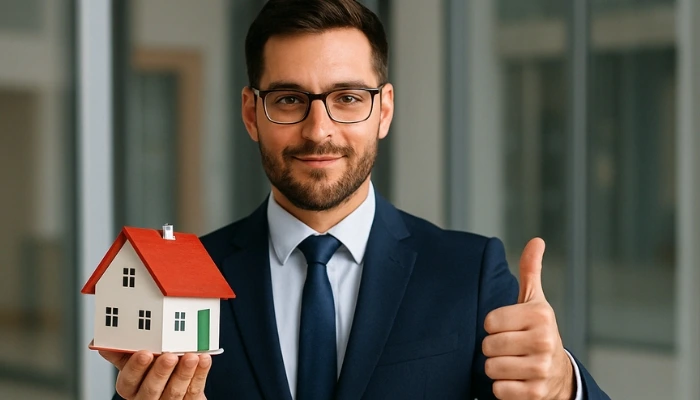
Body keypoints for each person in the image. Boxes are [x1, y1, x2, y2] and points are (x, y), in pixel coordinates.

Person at [102, 0, 610, 399]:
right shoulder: (186, 282)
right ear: (251, 114)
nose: (319, 130)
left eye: (347, 98)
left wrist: (563, 384)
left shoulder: (467, 272)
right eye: (288, 100)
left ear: (384, 111)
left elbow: (538, 384)